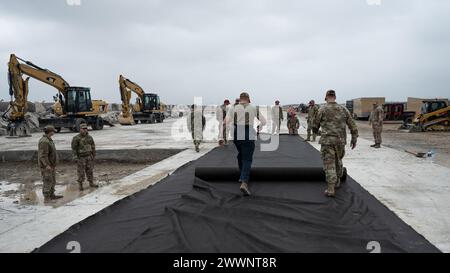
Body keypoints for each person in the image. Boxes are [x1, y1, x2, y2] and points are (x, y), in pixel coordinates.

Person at [313, 90, 358, 197]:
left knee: (329, 164)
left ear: (326, 97)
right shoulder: (344, 109)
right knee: (338, 160)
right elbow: (353, 125)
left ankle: (330, 189)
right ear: (335, 97)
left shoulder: (322, 109)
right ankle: (338, 181)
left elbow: (315, 125)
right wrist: (354, 139)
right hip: (340, 142)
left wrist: (318, 132)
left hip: (327, 142)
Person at [226, 92, 266, 196]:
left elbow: (225, 122)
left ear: (240, 99)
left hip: (236, 133)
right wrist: (259, 127)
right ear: (248, 99)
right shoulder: (253, 108)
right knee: (247, 158)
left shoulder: (232, 107)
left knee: (241, 155)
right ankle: (244, 182)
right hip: (248, 133)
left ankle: (242, 175)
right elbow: (264, 121)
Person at [38, 125, 63, 202]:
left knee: (52, 180)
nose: (54, 132)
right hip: (47, 166)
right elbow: (43, 155)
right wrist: (46, 165)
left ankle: (52, 195)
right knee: (47, 181)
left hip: (51, 165)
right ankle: (47, 198)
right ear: (50, 132)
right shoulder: (44, 141)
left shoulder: (48, 140)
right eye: (53, 131)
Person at [72, 123, 98, 191]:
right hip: (81, 157)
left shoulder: (89, 137)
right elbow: (74, 149)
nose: (85, 130)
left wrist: (93, 155)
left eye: (86, 128)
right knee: (81, 172)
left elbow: (93, 146)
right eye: (83, 129)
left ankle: (91, 182)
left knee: (90, 170)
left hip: (89, 156)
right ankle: (80, 185)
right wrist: (75, 157)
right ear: (80, 129)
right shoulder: (76, 138)